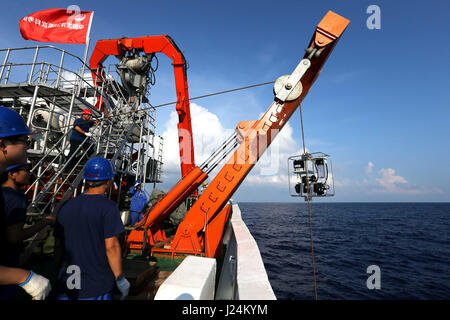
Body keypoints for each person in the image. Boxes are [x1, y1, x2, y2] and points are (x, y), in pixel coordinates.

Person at [54, 157, 130, 300]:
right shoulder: (108, 208)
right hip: (96, 285)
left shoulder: (66, 206)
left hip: (67, 282)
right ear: (108, 181)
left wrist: (59, 270)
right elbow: (111, 247)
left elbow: (58, 245)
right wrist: (120, 279)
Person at [0, 106, 51, 300]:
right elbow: (14, 237)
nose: (28, 145)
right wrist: (23, 276)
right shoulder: (14, 198)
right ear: (3, 143)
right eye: (24, 140)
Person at [0, 163, 56, 299]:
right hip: (7, 262)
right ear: (11, 174)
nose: (29, 173)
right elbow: (14, 237)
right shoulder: (16, 197)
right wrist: (44, 222)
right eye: (25, 170)